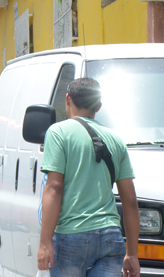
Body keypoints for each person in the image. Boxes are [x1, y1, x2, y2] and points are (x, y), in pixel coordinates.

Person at [38, 78, 139, 277]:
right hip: (111, 237)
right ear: (99, 106)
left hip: (71, 236)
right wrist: (133, 254)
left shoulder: (58, 133)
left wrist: (45, 242)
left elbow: (54, 188)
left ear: (67, 99)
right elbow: (131, 201)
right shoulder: (116, 140)